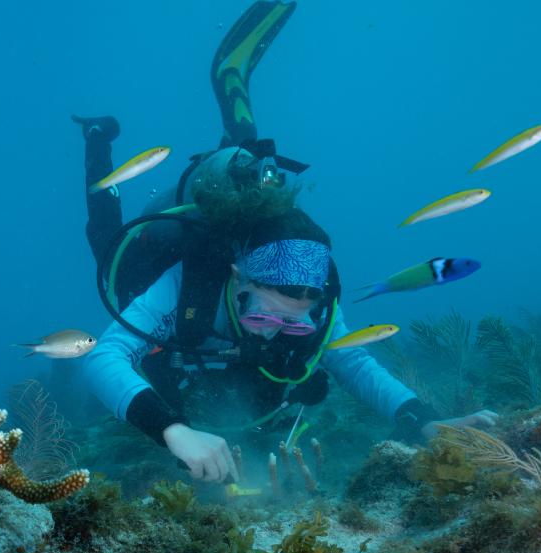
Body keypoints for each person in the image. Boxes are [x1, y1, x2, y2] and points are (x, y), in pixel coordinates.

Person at [77, 1, 496, 483]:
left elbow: (353, 361)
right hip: (156, 254)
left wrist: (423, 420)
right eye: (260, 314)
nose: (273, 331)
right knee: (104, 239)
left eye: (294, 326)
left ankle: (242, 151)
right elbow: (104, 357)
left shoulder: (314, 302)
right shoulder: (188, 282)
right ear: (238, 279)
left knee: (255, 181)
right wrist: (171, 429)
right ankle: (98, 140)